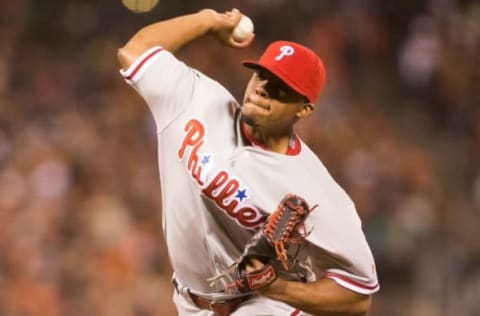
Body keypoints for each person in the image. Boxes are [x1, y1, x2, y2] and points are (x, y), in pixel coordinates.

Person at [117, 8, 379, 316]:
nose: (262, 88)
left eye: (280, 87)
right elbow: (134, 51)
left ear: (304, 109)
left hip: (265, 307)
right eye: (261, 74)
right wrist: (207, 21)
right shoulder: (196, 99)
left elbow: (358, 295)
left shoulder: (316, 189)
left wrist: (278, 289)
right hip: (190, 303)